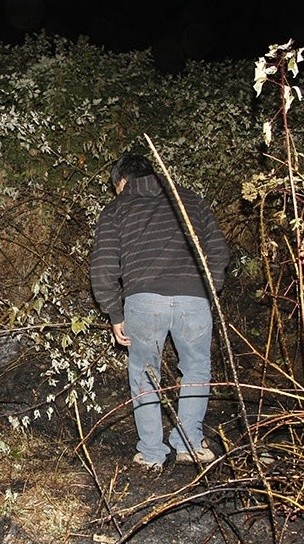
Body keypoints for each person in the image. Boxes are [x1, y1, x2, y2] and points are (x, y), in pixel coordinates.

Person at [90, 153, 229, 472]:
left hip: (143, 300)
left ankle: (152, 452)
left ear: (122, 181)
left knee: (144, 374)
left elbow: (103, 266)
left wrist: (114, 312)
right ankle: (189, 443)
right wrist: (209, 290)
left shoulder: (117, 208)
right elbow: (219, 251)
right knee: (196, 369)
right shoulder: (191, 201)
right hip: (193, 297)